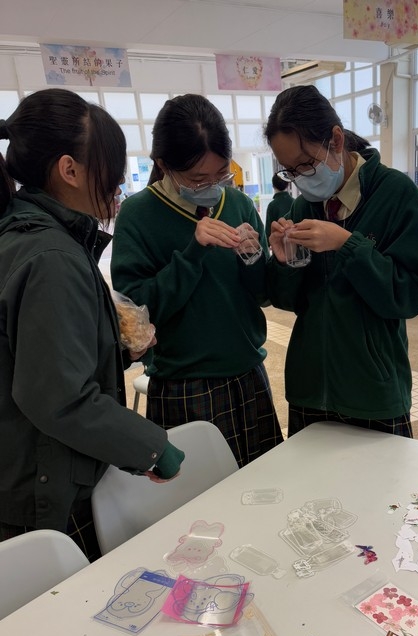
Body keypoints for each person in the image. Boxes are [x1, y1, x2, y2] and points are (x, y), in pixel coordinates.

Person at [0, 89, 184, 561]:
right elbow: (58, 397)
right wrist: (150, 447)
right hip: (42, 486)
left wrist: (111, 349)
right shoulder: (50, 257)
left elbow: (34, 356)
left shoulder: (31, 236)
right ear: (70, 170)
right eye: (111, 167)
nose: (119, 181)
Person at [111, 94, 283, 467]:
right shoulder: (138, 215)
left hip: (248, 373)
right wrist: (192, 253)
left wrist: (254, 257)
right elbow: (135, 315)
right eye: (198, 179)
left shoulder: (237, 203)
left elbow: (262, 294)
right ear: (163, 165)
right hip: (183, 384)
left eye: (221, 174)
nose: (212, 185)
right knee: (197, 494)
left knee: (263, 484)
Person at [264, 85, 418, 438]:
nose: (301, 180)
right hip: (310, 387)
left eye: (306, 164)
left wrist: (347, 245)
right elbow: (288, 300)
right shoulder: (304, 206)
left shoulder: (396, 194)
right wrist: (284, 262)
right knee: (309, 475)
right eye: (290, 171)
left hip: (373, 391)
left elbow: (410, 295)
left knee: (384, 475)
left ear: (336, 140)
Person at [265, 173, 293, 243]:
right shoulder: (295, 202)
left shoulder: (272, 205)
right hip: (295, 242)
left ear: (273, 186)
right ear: (288, 184)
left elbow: (268, 231)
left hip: (278, 243)